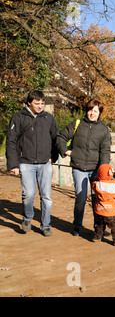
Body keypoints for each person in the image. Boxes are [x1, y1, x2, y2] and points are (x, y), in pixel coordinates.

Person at [6, 90, 59, 236]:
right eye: (37, 103)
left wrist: (53, 157)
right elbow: (11, 141)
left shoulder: (48, 118)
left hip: (45, 163)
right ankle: (27, 219)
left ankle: (45, 225)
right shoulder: (18, 117)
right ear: (29, 102)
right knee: (28, 194)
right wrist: (13, 164)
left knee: (46, 196)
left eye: (42, 103)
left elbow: (57, 138)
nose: (40, 106)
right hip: (25, 163)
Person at [57, 99, 111, 236]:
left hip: (96, 170)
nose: (92, 113)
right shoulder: (77, 124)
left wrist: (103, 170)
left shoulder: (104, 130)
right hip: (78, 167)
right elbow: (60, 137)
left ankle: (99, 228)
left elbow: (105, 151)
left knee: (97, 199)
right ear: (86, 110)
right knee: (80, 198)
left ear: (99, 113)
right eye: (90, 110)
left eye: (95, 111)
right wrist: (66, 151)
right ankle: (77, 226)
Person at [91, 164, 115, 245]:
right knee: (114, 226)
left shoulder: (96, 185)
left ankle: (97, 237)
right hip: (111, 211)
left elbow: (94, 187)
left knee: (100, 225)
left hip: (100, 210)